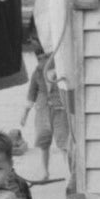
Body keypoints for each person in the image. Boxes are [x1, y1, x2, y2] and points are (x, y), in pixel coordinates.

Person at [21, 44, 73, 187]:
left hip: (60, 109)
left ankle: (70, 173)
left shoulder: (63, 70)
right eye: (40, 58)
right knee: (43, 142)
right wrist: (25, 114)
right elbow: (31, 92)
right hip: (42, 109)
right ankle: (45, 171)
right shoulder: (38, 72)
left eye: (45, 57)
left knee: (63, 143)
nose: (43, 60)